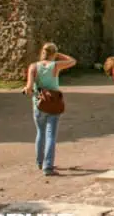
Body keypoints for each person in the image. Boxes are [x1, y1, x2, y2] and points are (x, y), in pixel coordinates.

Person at [22, 42, 76, 176]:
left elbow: (29, 87)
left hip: (39, 103)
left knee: (40, 133)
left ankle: (40, 162)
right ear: (53, 54)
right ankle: (48, 166)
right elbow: (72, 61)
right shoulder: (55, 65)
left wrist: (27, 90)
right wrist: (59, 55)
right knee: (51, 134)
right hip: (53, 103)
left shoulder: (33, 66)